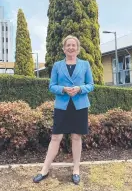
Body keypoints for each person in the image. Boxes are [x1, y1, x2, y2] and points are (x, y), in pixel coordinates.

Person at [33, 35, 94, 185]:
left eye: (74, 45)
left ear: (78, 49)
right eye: (68, 45)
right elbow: (51, 86)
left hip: (80, 105)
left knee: (76, 137)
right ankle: (44, 169)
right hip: (62, 105)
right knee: (55, 137)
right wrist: (63, 89)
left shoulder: (85, 64)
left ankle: (76, 170)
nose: (71, 47)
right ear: (64, 48)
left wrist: (80, 88)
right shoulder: (57, 65)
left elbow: (91, 85)